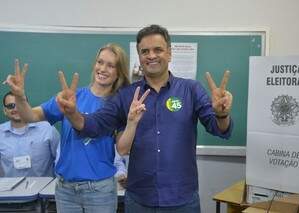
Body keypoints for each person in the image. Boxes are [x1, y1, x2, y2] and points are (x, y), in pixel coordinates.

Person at [52, 24, 234, 213]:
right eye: (145, 51)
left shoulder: (191, 90)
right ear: (139, 57)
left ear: (169, 53)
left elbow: (219, 129)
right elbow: (95, 124)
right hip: (139, 200)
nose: (151, 55)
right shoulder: (126, 95)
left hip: (182, 198)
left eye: (158, 50)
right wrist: (72, 113)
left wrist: (221, 113)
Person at [5, 43, 130, 213]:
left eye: (110, 65)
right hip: (66, 190)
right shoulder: (71, 96)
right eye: (100, 62)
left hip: (100, 190)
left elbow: (123, 147)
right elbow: (30, 116)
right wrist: (20, 97)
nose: (103, 68)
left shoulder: (118, 104)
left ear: (118, 72)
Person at [0, 91, 60, 177]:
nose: (16, 109)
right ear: (5, 111)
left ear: (26, 106)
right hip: (10, 190)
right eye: (11, 106)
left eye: (19, 104)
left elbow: (61, 160)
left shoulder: (47, 129)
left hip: (43, 189)